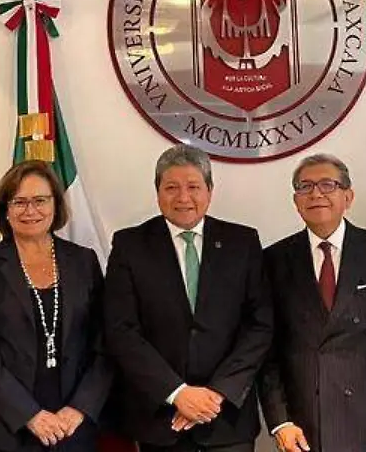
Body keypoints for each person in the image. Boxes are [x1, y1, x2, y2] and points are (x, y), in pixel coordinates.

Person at [103, 144, 272, 452]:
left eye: (193, 187)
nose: (183, 197)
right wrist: (177, 393)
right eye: (171, 187)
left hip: (226, 418)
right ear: (157, 192)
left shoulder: (243, 242)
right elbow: (120, 330)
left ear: (210, 191)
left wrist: (217, 394)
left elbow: (260, 326)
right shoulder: (130, 245)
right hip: (161, 419)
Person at [259, 153, 366, 452]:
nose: (316, 194)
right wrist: (280, 421)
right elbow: (268, 351)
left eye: (327, 184)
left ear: (348, 196)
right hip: (303, 424)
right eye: (305, 186)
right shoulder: (273, 260)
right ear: (296, 201)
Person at [0, 160, 112, 451]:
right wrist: (28, 414)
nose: (30, 211)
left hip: (72, 426)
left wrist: (80, 407)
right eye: (19, 202)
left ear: (56, 205)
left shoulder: (84, 261)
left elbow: (105, 343)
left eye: (40, 200)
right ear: (5, 209)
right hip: (5, 429)